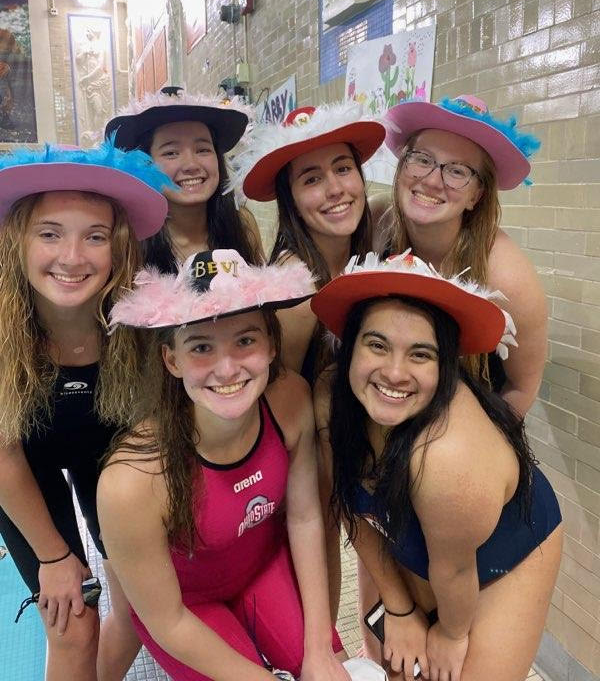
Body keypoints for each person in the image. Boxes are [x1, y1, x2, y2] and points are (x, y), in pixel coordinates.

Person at [98, 249, 350, 681]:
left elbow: (306, 517)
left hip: (262, 570)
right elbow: (168, 620)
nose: (227, 368)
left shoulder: (289, 402)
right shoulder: (131, 481)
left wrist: (319, 649)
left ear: (271, 345)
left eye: (245, 340)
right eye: (201, 347)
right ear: (171, 360)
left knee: (335, 670)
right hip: (186, 611)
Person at [312, 252, 562, 681]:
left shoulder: (447, 459)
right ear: (349, 346)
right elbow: (355, 511)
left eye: (420, 355)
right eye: (377, 345)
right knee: (400, 666)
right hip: (427, 537)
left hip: (504, 546)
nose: (394, 373)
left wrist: (451, 633)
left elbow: (455, 570)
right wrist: (399, 605)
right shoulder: (328, 400)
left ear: (445, 366)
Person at [0, 142, 172, 681]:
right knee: (72, 624)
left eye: (94, 236)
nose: (72, 257)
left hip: (111, 453)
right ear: (18, 241)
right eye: (50, 233)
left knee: (141, 601)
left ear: (118, 248)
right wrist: (53, 559)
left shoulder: (140, 322)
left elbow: (149, 431)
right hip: (22, 463)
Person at [371, 94, 546, 417]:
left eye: (457, 171)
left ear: (476, 195)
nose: (433, 181)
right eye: (422, 159)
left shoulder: (506, 274)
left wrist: (482, 453)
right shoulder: (377, 222)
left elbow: (522, 387)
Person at [230, 102, 384, 384]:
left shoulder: (366, 246)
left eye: (343, 168)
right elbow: (283, 395)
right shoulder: (295, 290)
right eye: (312, 179)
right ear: (293, 203)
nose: (336, 189)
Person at [104, 85, 262, 271]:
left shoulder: (242, 226)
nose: (191, 165)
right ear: (146, 163)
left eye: (203, 150)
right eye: (171, 153)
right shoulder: (127, 239)